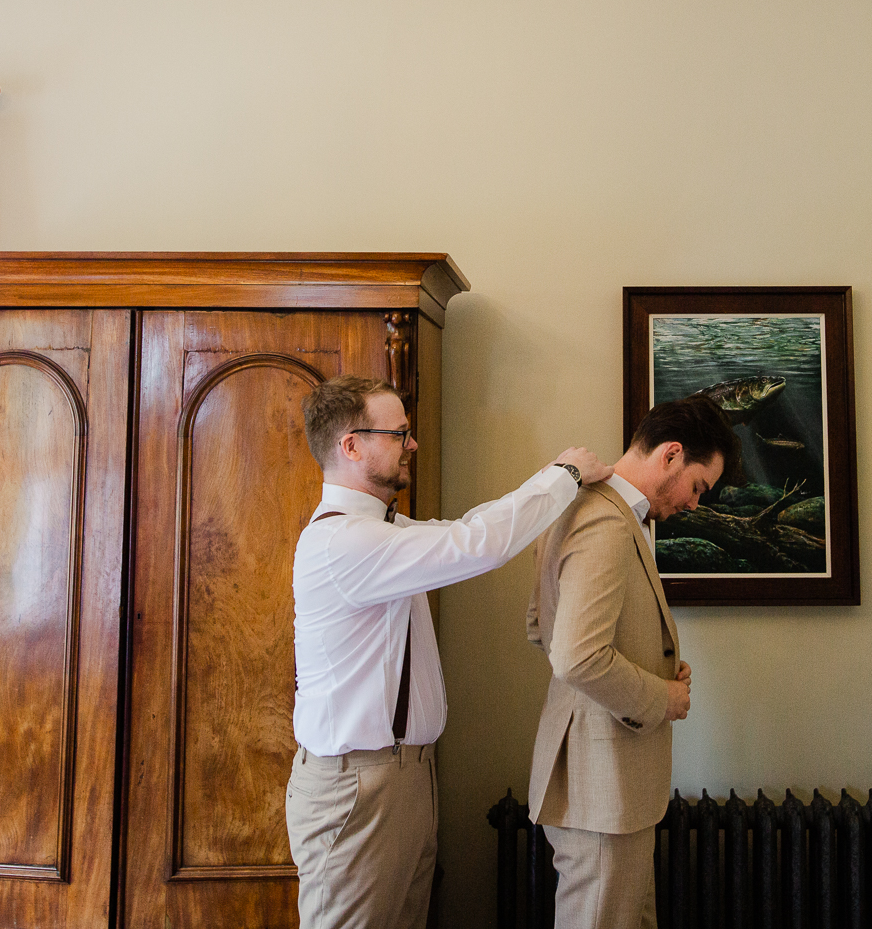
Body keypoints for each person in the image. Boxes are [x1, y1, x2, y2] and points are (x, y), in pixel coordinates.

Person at [287, 374, 609, 929]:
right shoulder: (345, 541)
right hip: (359, 789)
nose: (412, 444)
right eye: (399, 433)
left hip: (404, 780)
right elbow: (476, 544)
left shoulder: (384, 532)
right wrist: (565, 475)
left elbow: (467, 531)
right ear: (351, 445)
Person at [525, 396, 736, 929]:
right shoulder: (606, 522)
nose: (694, 505)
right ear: (671, 454)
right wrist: (661, 695)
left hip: (603, 787)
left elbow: (542, 627)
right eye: (698, 487)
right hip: (601, 789)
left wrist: (654, 667)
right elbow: (577, 656)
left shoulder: (580, 506)